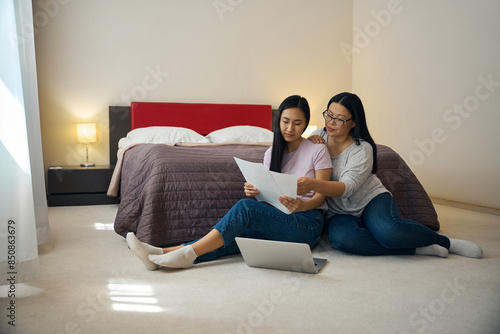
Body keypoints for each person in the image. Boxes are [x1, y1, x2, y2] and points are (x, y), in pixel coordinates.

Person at [126, 95, 333, 270]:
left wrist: (302, 205)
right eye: (286, 121)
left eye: (297, 123)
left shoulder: (317, 149)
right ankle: (162, 255)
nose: (290, 128)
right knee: (234, 235)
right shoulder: (272, 153)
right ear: (278, 121)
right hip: (279, 218)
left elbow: (322, 195)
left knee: (246, 208)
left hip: (307, 223)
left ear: (306, 124)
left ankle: (178, 254)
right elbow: (270, 195)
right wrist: (255, 192)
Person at [298, 92, 483, 258]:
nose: (330, 122)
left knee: (389, 232)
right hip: (338, 212)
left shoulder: (362, 149)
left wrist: (313, 184)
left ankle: (446, 242)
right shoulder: (318, 135)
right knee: (343, 241)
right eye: (329, 115)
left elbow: (347, 189)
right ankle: (417, 249)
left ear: (354, 123)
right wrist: (306, 141)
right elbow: (300, 158)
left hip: (370, 200)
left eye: (339, 119)